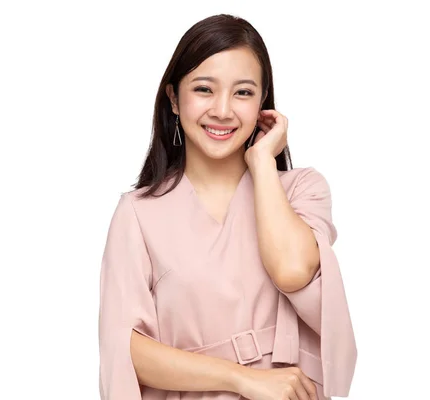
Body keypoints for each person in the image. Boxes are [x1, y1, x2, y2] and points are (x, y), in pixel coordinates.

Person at [98, 14, 357, 400]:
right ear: (173, 97)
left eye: (243, 93)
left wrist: (263, 163)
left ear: (262, 103)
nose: (222, 110)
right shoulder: (138, 212)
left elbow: (291, 270)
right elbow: (125, 349)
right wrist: (240, 378)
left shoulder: (301, 188)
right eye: (204, 89)